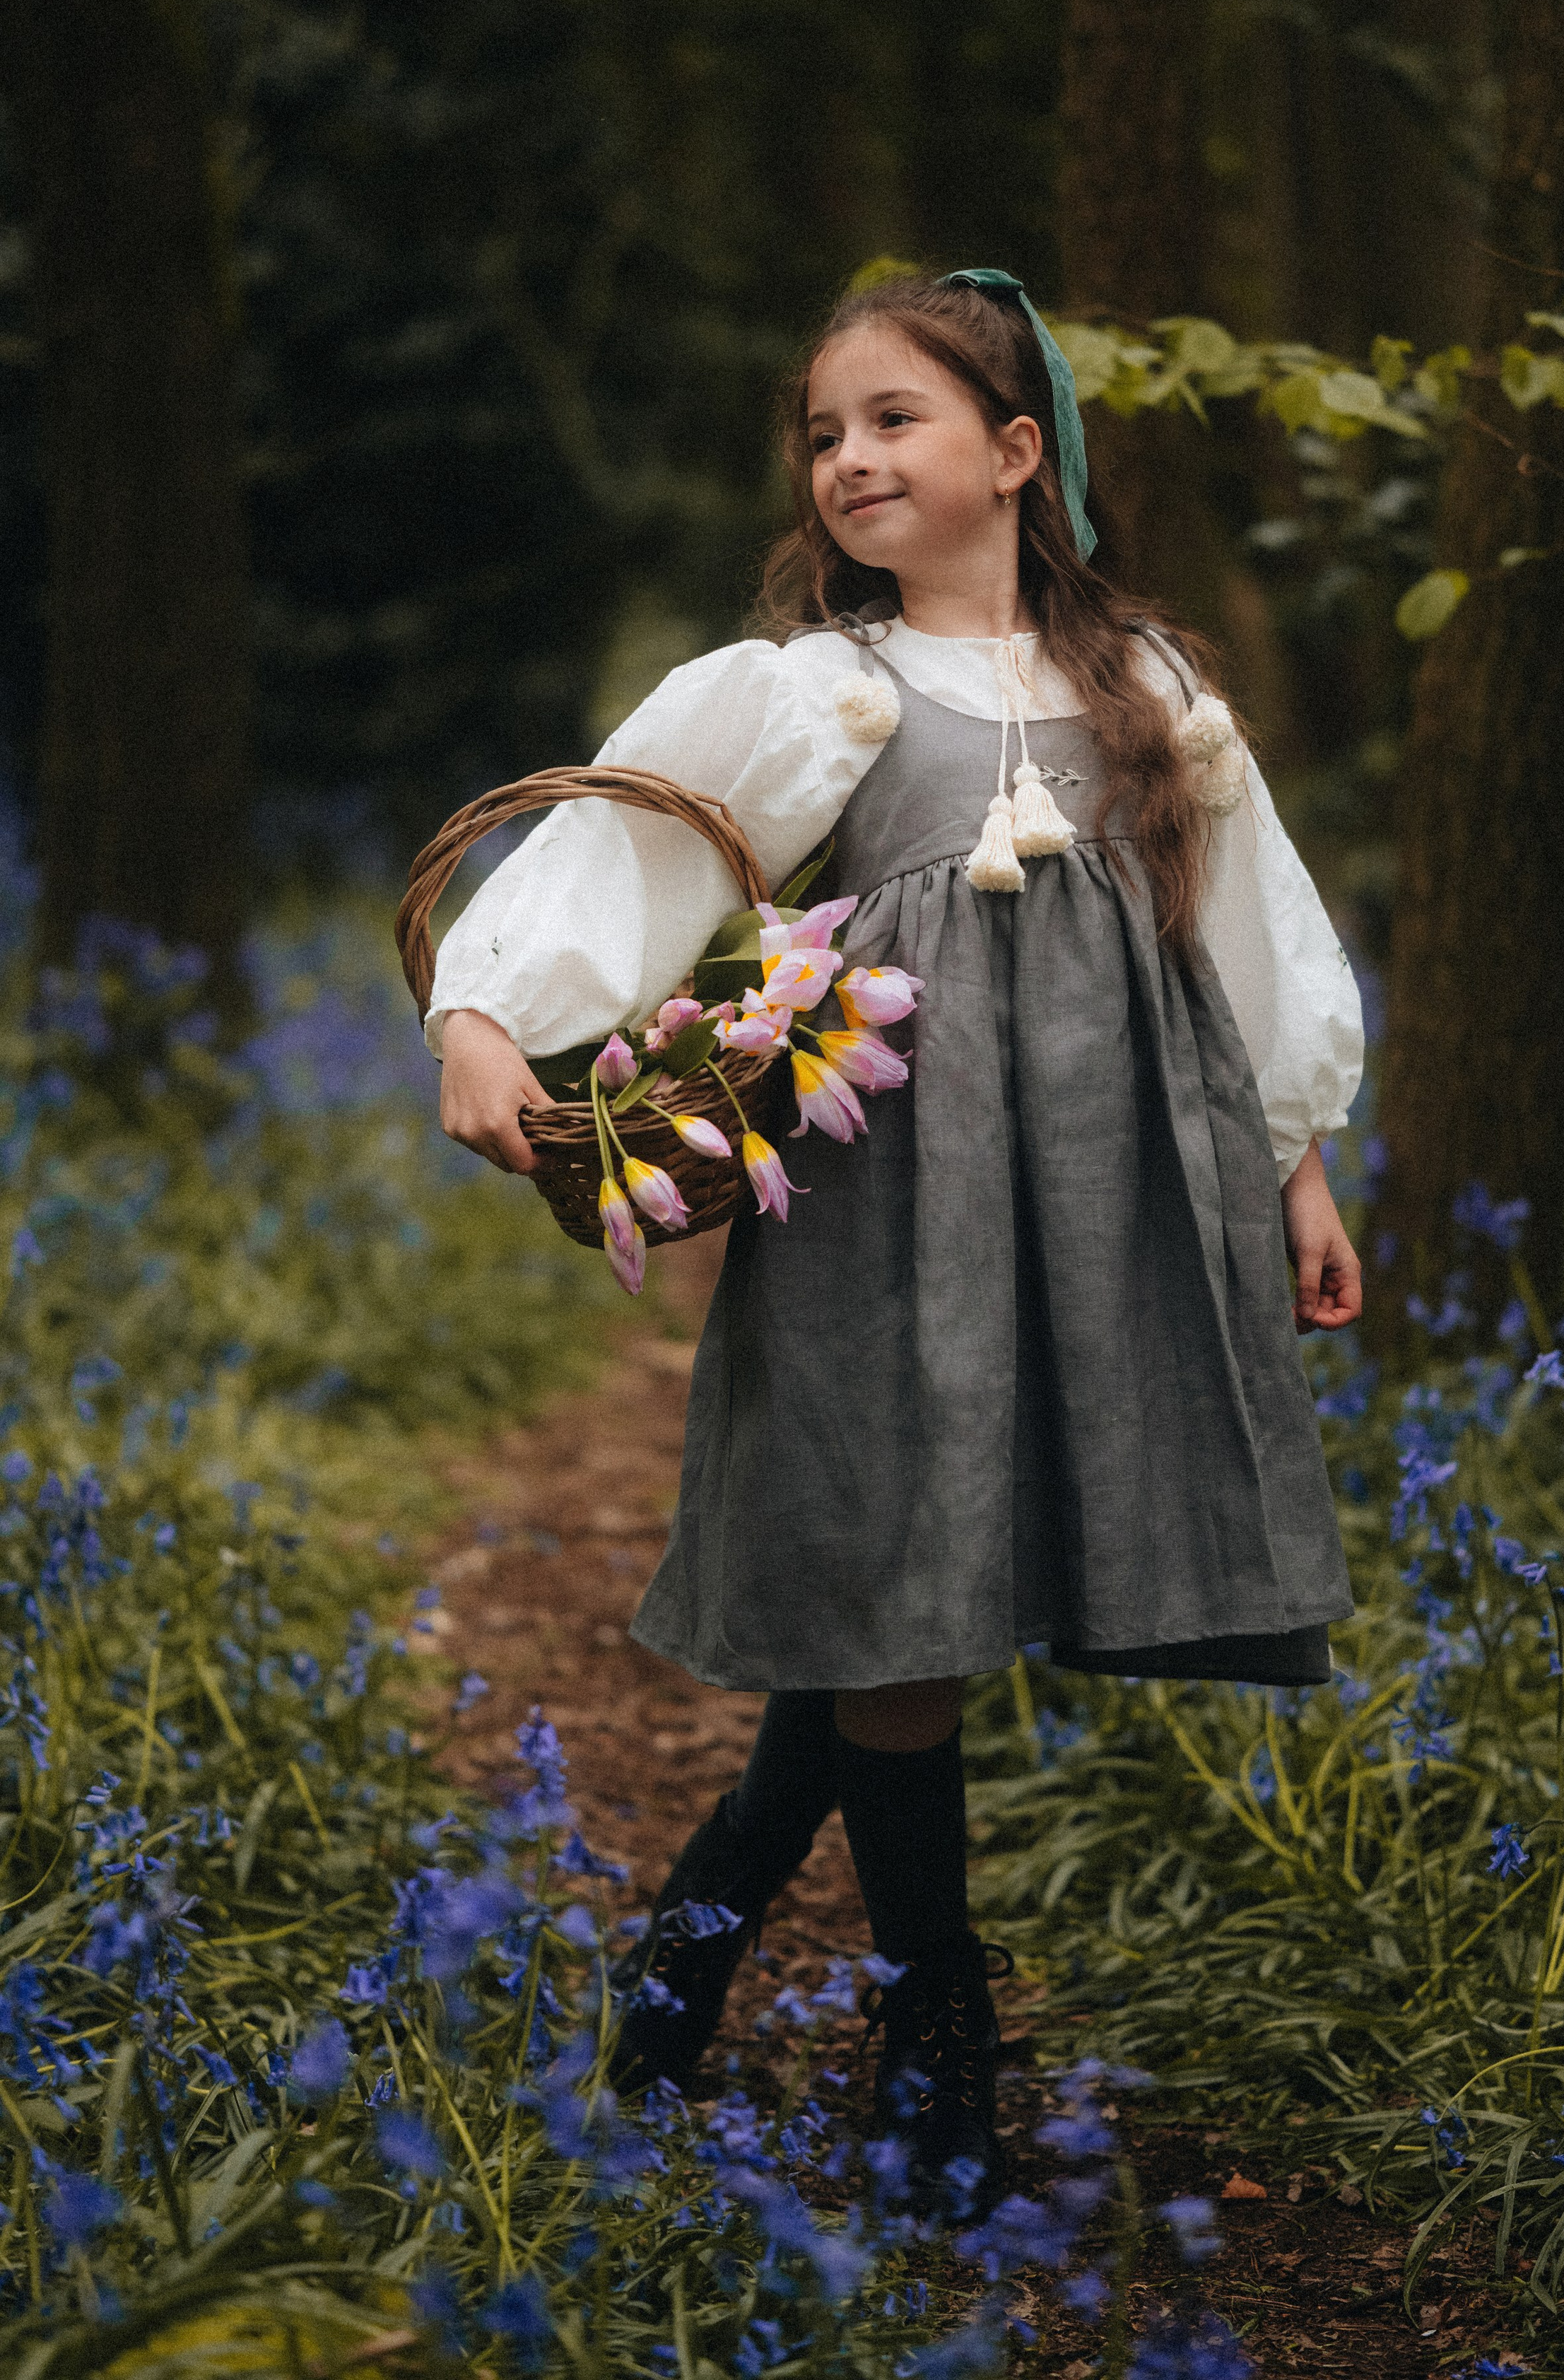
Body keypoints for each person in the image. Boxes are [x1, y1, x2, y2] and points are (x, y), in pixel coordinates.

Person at [428, 269, 1363, 2213]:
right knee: (897, 1589)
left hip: (1097, 1199)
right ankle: (940, 2034)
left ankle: (676, 1986)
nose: (850, 456)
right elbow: (629, 846)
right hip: (885, 1201)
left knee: (908, 1606)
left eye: (896, 420)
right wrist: (483, 1011)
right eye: (826, 432)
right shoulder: (813, 696)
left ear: (1018, 454)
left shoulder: (1155, 696)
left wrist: (1296, 1158)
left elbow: (1241, 934)